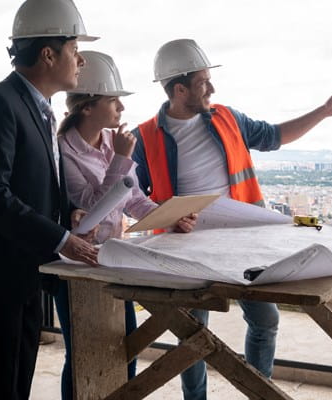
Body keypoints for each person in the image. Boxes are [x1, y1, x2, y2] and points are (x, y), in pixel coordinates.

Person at [129, 38, 332, 400]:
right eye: (203, 82)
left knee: (266, 320)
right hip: (186, 248)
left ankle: (257, 391)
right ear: (179, 88)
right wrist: (166, 220)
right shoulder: (145, 136)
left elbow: (276, 135)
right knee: (192, 334)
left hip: (244, 239)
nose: (211, 88)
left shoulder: (228, 118)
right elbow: (132, 195)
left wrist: (323, 111)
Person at [0, 0, 98, 397]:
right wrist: (61, 240)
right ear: (48, 53)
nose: (81, 61)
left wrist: (65, 215)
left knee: (13, 388)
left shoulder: (39, 110)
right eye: (75, 50)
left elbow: (29, 185)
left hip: (20, 275)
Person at [48, 50, 197, 399]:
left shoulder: (110, 144)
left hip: (112, 258)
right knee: (83, 354)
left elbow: (132, 199)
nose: (121, 109)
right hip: (77, 264)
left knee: (124, 347)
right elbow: (91, 204)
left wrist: (169, 216)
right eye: (114, 101)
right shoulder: (64, 152)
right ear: (88, 107)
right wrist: (120, 159)